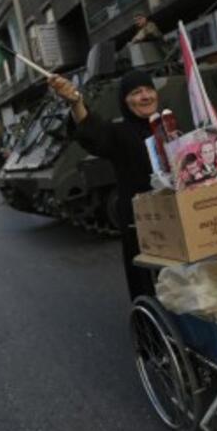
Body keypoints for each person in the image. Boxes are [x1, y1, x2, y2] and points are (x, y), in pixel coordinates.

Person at [48, 70, 158, 301]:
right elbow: (93, 131)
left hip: (175, 214)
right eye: (137, 93)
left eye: (149, 89)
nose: (146, 96)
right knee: (149, 281)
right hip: (142, 221)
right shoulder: (119, 132)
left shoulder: (168, 125)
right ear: (125, 101)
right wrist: (76, 101)